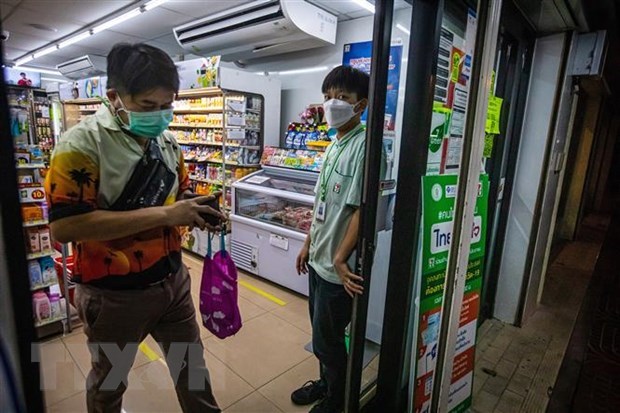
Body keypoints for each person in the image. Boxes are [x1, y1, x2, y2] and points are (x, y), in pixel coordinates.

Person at [44, 43, 225, 413]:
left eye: (167, 105)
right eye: (147, 106)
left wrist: (198, 207)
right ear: (115, 97)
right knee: (110, 384)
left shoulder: (167, 140)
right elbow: (66, 227)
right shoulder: (79, 145)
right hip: (113, 295)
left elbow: (180, 190)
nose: (160, 115)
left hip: (172, 282)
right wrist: (166, 216)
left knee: (193, 371)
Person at [292, 66, 385, 413]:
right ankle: (326, 383)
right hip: (319, 257)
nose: (331, 104)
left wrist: (341, 258)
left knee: (330, 341)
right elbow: (321, 205)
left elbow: (362, 211)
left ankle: (338, 399)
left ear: (359, 106)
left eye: (341, 98)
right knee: (320, 337)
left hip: (337, 268)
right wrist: (307, 244)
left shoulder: (366, 148)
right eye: (327, 96)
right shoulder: (334, 144)